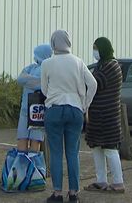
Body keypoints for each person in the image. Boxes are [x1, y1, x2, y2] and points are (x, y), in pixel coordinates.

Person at [41, 30, 98, 203]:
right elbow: (93, 84)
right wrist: (85, 104)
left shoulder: (47, 63)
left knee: (56, 153)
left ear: (53, 43)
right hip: (75, 110)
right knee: (73, 153)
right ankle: (74, 194)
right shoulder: (78, 62)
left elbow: (44, 89)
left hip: (55, 109)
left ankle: (57, 193)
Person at [83, 37, 125, 194]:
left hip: (107, 115)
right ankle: (101, 180)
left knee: (110, 148)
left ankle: (118, 182)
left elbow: (95, 83)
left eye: (96, 48)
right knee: (97, 148)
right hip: (98, 115)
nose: (95, 51)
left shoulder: (110, 66)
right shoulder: (104, 64)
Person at [17, 44, 52, 152]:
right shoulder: (31, 67)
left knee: (35, 140)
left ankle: (30, 165)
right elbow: (20, 79)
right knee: (22, 137)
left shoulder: (47, 68)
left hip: (38, 110)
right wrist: (37, 81)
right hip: (27, 110)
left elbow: (41, 83)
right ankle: (25, 163)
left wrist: (30, 80)